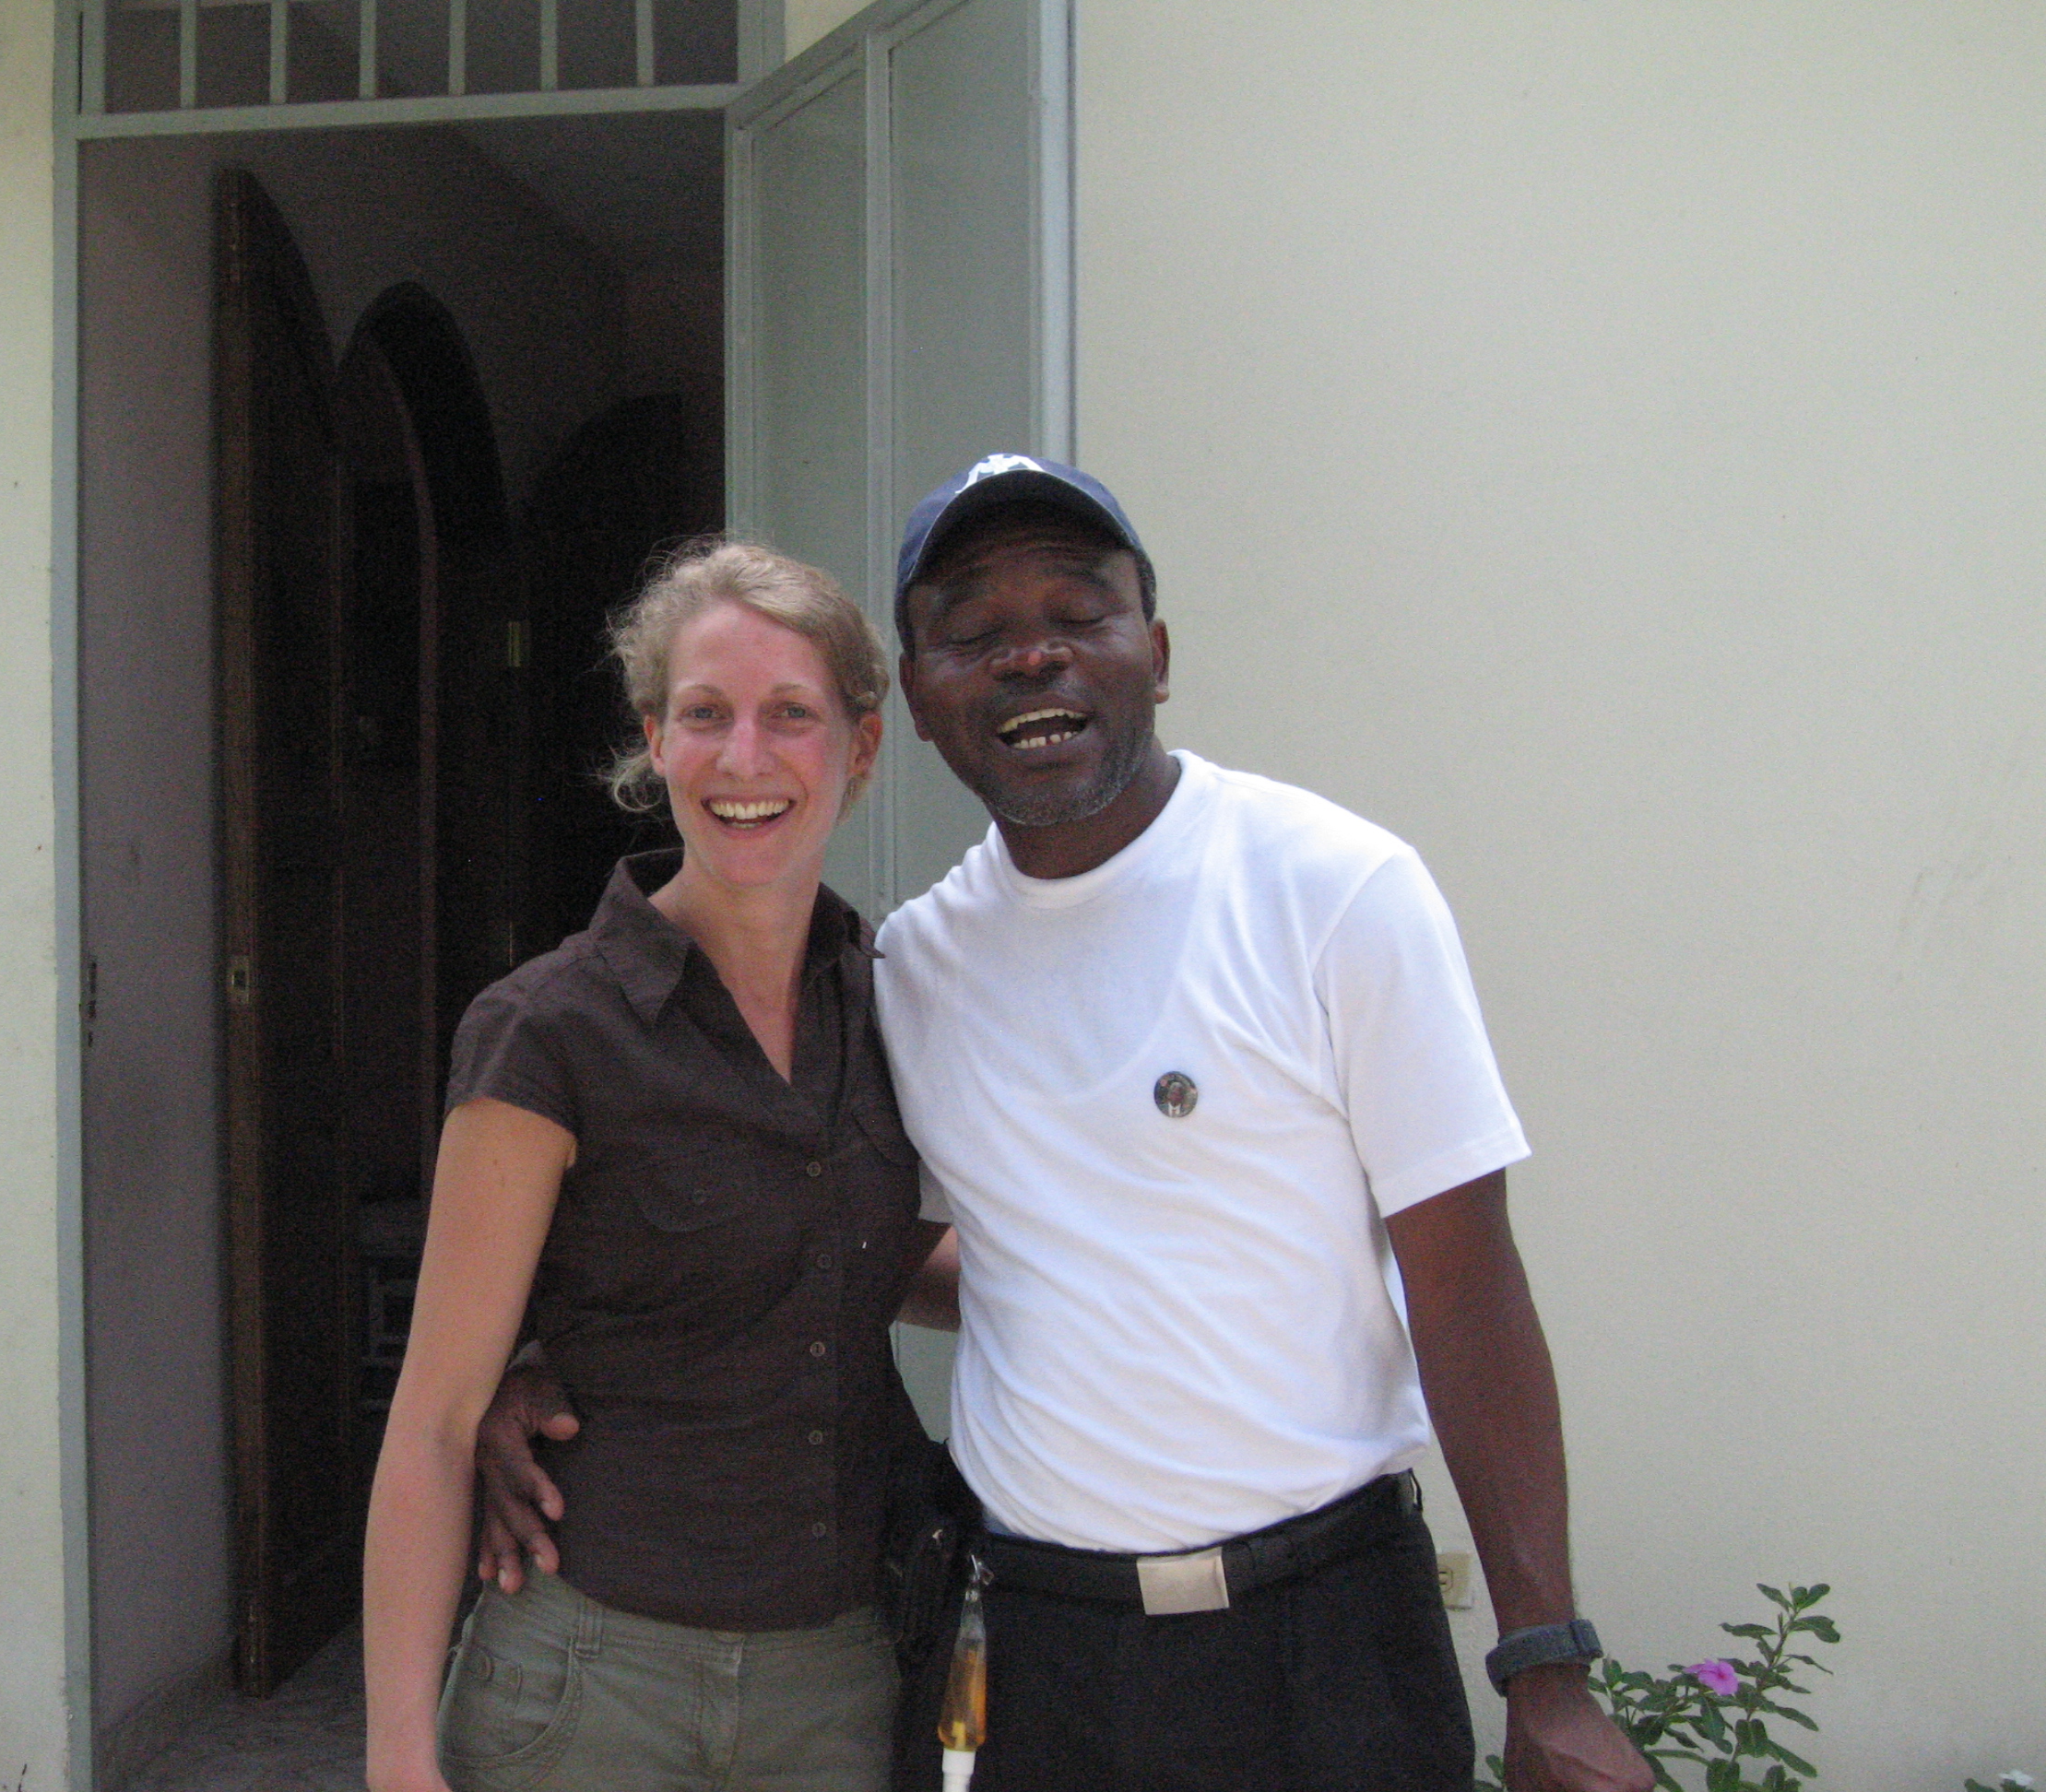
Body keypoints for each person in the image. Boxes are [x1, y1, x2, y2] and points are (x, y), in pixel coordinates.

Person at [476, 459, 1650, 1792]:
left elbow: (1467, 1289)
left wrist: (1546, 1665)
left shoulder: (1335, 891)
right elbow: (833, 1236)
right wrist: (564, 1356)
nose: (1030, 654)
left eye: (1080, 614)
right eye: (972, 630)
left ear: (1158, 652)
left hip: (1327, 1637)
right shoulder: (912, 971)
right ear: (916, 705)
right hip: (1039, 1654)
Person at [362, 540, 952, 1792]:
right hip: (590, 1684)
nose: (745, 757)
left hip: (838, 1691)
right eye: (705, 714)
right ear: (655, 741)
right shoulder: (549, 1031)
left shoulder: (898, 1005)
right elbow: (435, 1420)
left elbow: (872, 1264)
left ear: (860, 747)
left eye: (791, 714)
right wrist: (399, 1758)